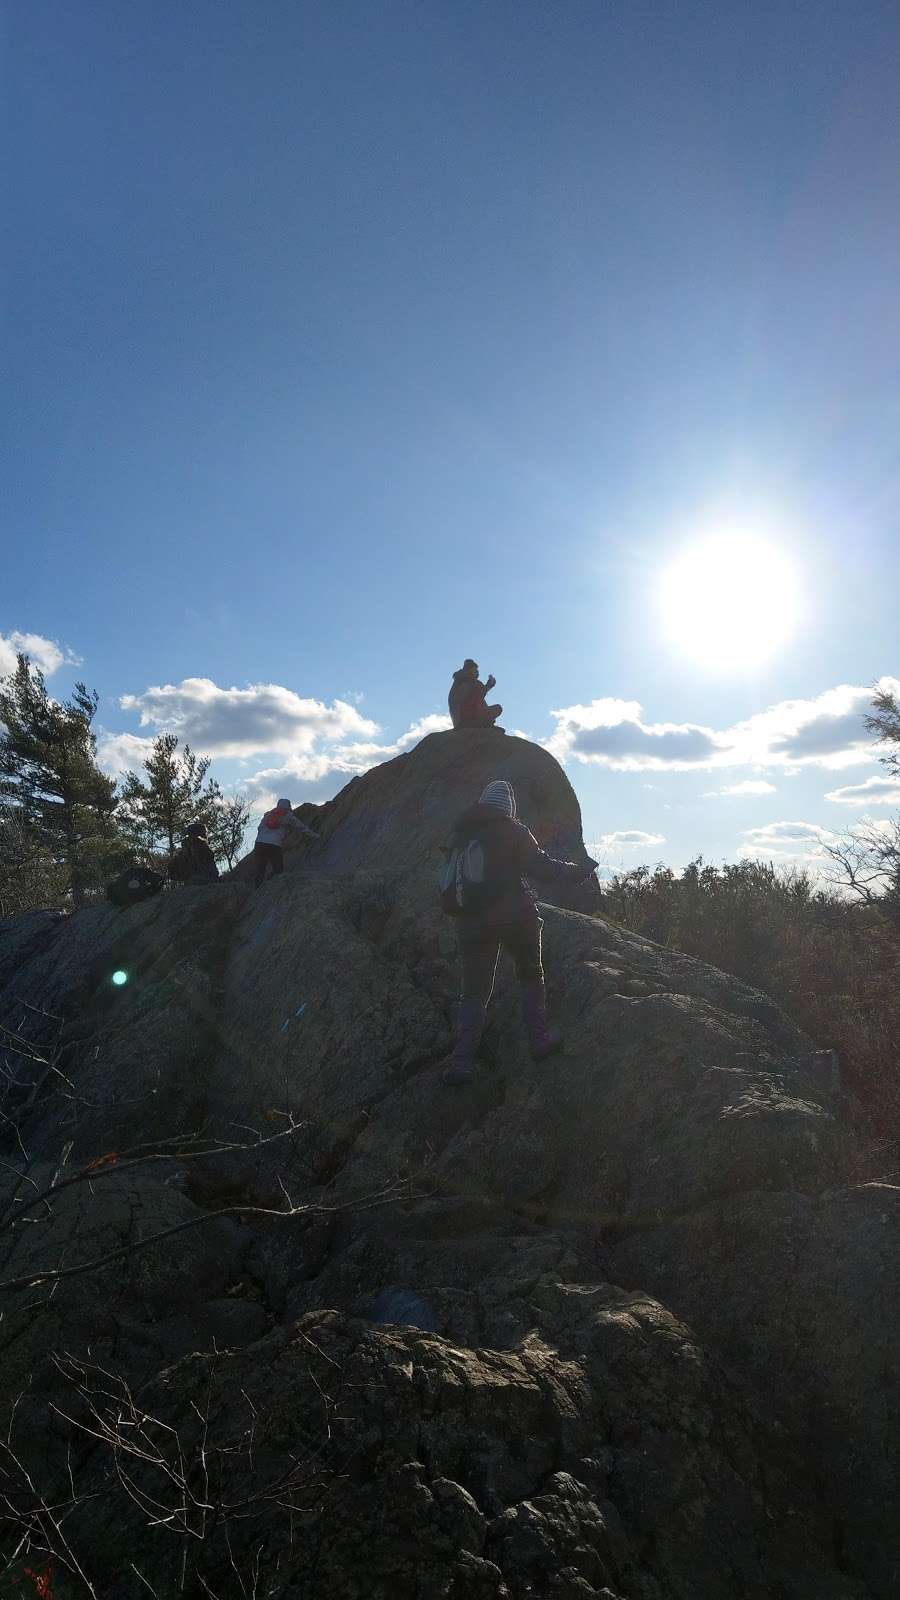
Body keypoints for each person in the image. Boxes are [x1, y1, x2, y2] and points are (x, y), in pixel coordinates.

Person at [442, 779, 597, 1086]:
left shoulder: (462, 833)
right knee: (530, 974)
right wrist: (578, 871)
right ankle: (539, 1041)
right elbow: (543, 868)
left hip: (470, 922)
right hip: (516, 918)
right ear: (508, 809)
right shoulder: (514, 830)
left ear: (483, 804)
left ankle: (461, 1063)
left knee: (473, 992)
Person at [253, 797, 317, 888]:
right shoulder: (288, 816)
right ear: (288, 806)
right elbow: (301, 827)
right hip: (274, 845)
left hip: (259, 844)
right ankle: (272, 889)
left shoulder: (267, 815)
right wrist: (314, 835)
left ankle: (257, 889)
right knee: (278, 869)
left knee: (260, 869)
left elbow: (259, 828)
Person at [448, 660, 503, 730]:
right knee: (497, 708)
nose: (477, 672)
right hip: (467, 718)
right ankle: (485, 724)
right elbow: (476, 697)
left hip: (462, 718)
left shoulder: (460, 682)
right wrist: (489, 685)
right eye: (475, 670)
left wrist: (488, 686)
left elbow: (479, 694)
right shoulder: (467, 683)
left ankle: (486, 723)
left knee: (496, 708)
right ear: (470, 670)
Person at [170, 821, 219, 886]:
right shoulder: (192, 846)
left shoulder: (203, 848)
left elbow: (213, 872)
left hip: (203, 880)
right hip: (196, 881)